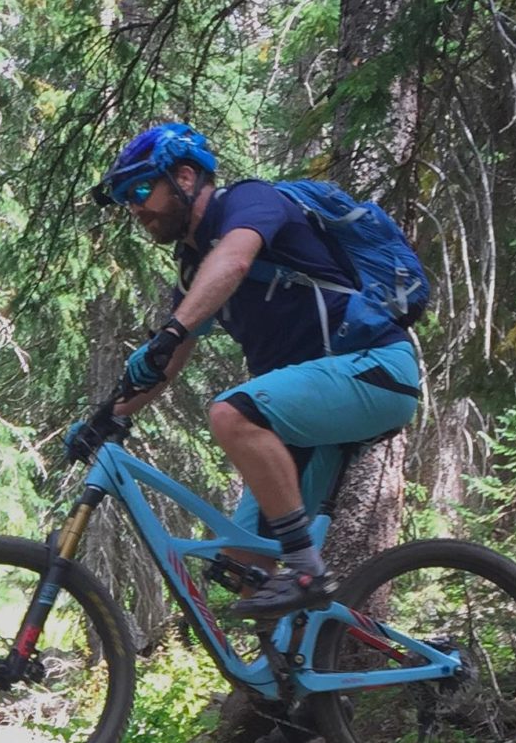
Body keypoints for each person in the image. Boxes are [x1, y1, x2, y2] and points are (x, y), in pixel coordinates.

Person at [66, 122, 424, 618]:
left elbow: (234, 262)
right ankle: (292, 686)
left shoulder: (249, 202)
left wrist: (173, 329)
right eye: (127, 197)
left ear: (186, 177)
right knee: (244, 572)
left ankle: (307, 569)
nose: (135, 206)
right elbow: (167, 360)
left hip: (376, 370)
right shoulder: (195, 269)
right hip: (310, 417)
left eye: (142, 189)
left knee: (232, 414)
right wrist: (106, 416)